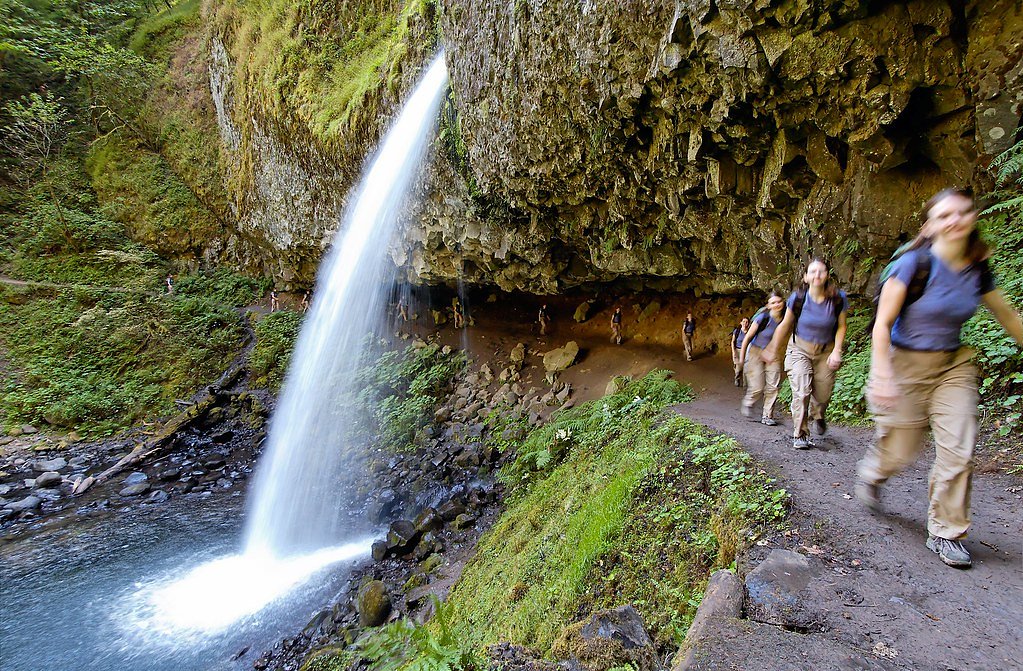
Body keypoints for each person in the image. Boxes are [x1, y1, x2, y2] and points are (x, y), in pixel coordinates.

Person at [856, 188, 1023, 569]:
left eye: (963, 212)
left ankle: (947, 532)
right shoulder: (913, 264)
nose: (956, 220)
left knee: (959, 448)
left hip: (953, 364)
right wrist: (882, 374)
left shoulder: (977, 269)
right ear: (930, 226)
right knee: (898, 451)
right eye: (945, 215)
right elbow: (882, 325)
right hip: (904, 364)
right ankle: (874, 473)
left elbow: (1008, 316)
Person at [762, 259, 847, 449]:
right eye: (813, 272)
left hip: (825, 352)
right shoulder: (798, 298)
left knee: (823, 395)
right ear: (806, 277)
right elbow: (785, 325)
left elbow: (841, 326)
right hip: (799, 350)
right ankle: (800, 434)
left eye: (821, 271)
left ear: (827, 275)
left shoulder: (837, 298)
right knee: (801, 392)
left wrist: (837, 351)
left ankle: (818, 414)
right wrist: (772, 349)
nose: (817, 275)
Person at [739, 292, 786, 425]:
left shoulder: (786, 318)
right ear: (768, 305)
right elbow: (747, 338)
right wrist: (741, 358)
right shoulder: (763, 317)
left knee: (773, 385)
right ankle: (749, 402)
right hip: (755, 351)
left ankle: (767, 415)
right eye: (773, 303)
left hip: (773, 352)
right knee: (758, 386)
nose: (777, 305)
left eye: (779, 302)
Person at [729, 318, 750, 386]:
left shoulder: (749, 332)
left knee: (746, 367)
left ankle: (745, 383)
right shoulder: (737, 331)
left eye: (746, 322)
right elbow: (733, 341)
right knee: (738, 368)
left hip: (747, 351)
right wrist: (733, 351)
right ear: (741, 322)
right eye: (743, 321)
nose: (745, 323)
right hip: (738, 350)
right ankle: (737, 378)